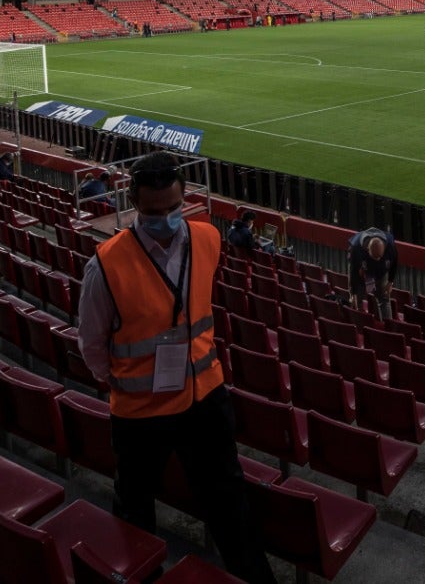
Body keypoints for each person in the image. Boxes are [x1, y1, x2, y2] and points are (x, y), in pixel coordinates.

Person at [74, 152, 275, 584]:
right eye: (153, 212)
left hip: (206, 400)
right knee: (134, 510)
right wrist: (124, 382)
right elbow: (90, 344)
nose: (165, 218)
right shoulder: (105, 265)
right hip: (140, 413)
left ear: (184, 199)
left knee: (231, 505)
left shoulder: (208, 239)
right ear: (133, 204)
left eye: (173, 208)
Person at [348, 227, 398, 320]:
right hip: (362, 272)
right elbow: (353, 271)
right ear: (367, 249)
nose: (378, 260)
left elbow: (394, 263)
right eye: (375, 257)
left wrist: (390, 282)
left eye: (380, 257)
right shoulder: (356, 248)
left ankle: (387, 324)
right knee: (357, 299)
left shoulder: (390, 246)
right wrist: (352, 293)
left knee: (384, 298)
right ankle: (360, 323)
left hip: (381, 272)